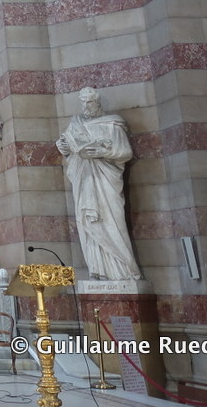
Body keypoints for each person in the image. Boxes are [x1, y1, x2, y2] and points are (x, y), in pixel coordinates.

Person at [56, 87, 141, 280]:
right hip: (84, 180)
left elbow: (125, 152)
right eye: (83, 102)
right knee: (87, 221)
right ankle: (98, 270)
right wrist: (63, 147)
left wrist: (103, 153)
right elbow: (67, 144)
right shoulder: (76, 123)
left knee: (111, 220)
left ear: (98, 103)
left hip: (105, 180)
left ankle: (125, 270)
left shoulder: (113, 124)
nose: (86, 106)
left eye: (90, 102)